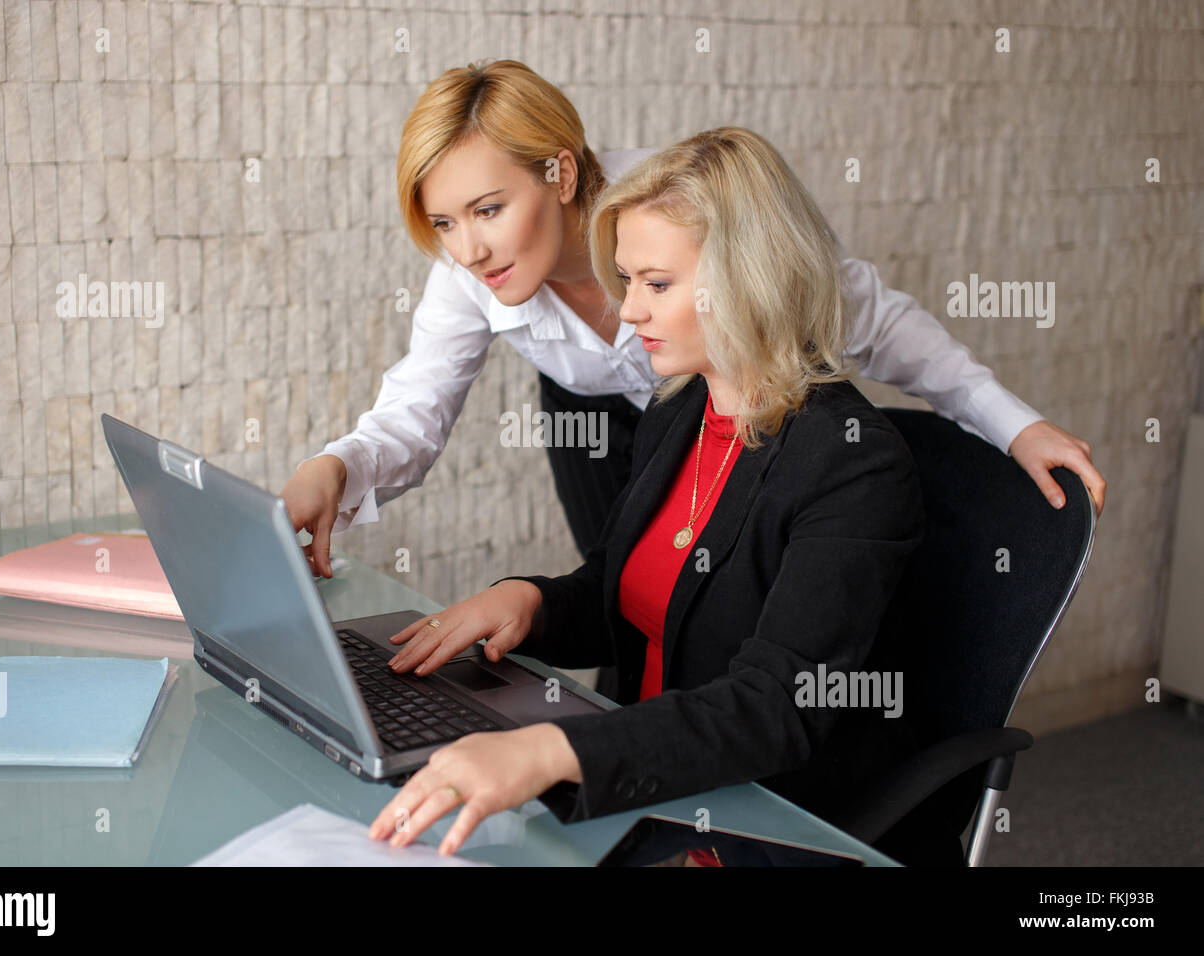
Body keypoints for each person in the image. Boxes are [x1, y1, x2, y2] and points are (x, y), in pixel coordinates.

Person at [281, 59, 1106, 594]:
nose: (469, 250)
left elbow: (879, 323)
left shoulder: (683, 205)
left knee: (727, 611)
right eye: (444, 223)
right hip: (594, 413)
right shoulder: (468, 277)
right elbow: (414, 411)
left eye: (489, 210)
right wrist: (334, 467)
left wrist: (1014, 425)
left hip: (728, 398)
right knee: (623, 598)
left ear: (559, 172)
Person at [366, 126, 962, 866]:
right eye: (626, 280)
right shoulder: (681, 408)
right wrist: (531, 602)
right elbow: (634, 593)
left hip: (771, 827)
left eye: (656, 284)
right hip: (653, 791)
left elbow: (776, 708)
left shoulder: (852, 465)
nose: (628, 311)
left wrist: (551, 750)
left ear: (748, 279)